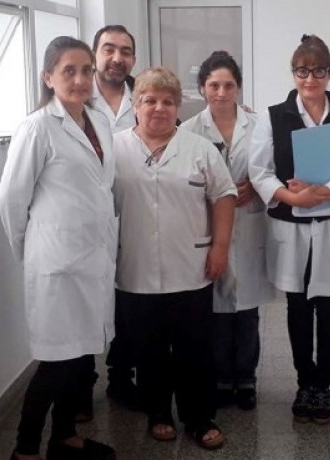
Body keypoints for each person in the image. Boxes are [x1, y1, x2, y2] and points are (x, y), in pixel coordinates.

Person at [0, 36, 117, 460]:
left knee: (82, 356)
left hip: (93, 257)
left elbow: (102, 188)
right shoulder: (37, 128)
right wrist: (32, 252)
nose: (80, 79)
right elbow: (11, 200)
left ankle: (64, 437)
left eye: (86, 70)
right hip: (56, 263)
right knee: (55, 361)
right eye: (69, 71)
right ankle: (25, 449)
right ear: (48, 77)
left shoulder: (98, 121)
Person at [248, 34, 330, 425]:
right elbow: (259, 170)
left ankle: (323, 385)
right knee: (298, 305)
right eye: (303, 71)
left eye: (318, 71)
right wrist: (291, 197)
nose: (310, 79)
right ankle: (305, 383)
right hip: (292, 225)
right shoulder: (273, 117)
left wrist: (320, 192)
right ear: (293, 73)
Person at [112, 66, 236, 450]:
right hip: (134, 268)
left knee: (195, 348)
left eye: (168, 102)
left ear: (178, 107)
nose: (159, 108)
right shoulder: (114, 150)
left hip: (191, 266)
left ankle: (200, 418)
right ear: (135, 105)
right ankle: (158, 413)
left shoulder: (199, 148)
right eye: (149, 100)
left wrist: (220, 248)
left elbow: (224, 196)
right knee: (147, 348)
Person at [180, 51, 275, 411]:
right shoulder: (189, 131)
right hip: (209, 225)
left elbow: (273, 169)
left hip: (249, 222)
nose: (221, 92)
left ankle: (246, 379)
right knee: (217, 310)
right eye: (214, 85)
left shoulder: (259, 125)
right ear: (202, 88)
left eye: (228, 85)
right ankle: (220, 378)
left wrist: (257, 187)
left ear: (238, 88)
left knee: (247, 310)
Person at [81, 24, 141, 417]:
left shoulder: (144, 96)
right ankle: (81, 385)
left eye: (125, 51)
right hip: (89, 219)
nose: (117, 58)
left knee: (129, 302)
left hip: (136, 213)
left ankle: (121, 378)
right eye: (109, 49)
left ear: (133, 59)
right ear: (95, 54)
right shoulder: (77, 99)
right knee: (86, 302)